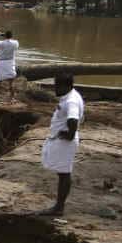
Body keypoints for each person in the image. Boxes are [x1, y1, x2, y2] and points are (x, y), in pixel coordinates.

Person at [39, 73, 84, 216]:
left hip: (65, 142)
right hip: (63, 141)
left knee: (64, 173)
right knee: (63, 172)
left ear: (67, 86)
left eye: (57, 86)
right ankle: (59, 206)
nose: (55, 89)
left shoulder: (71, 101)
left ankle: (59, 208)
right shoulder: (70, 96)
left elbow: (73, 119)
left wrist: (69, 134)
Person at [0, 30, 20, 102]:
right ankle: (11, 99)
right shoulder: (15, 43)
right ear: (12, 36)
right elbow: (15, 45)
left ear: (5, 36)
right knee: (11, 82)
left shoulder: (1, 43)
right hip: (10, 63)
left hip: (1, 63)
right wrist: (5, 36)